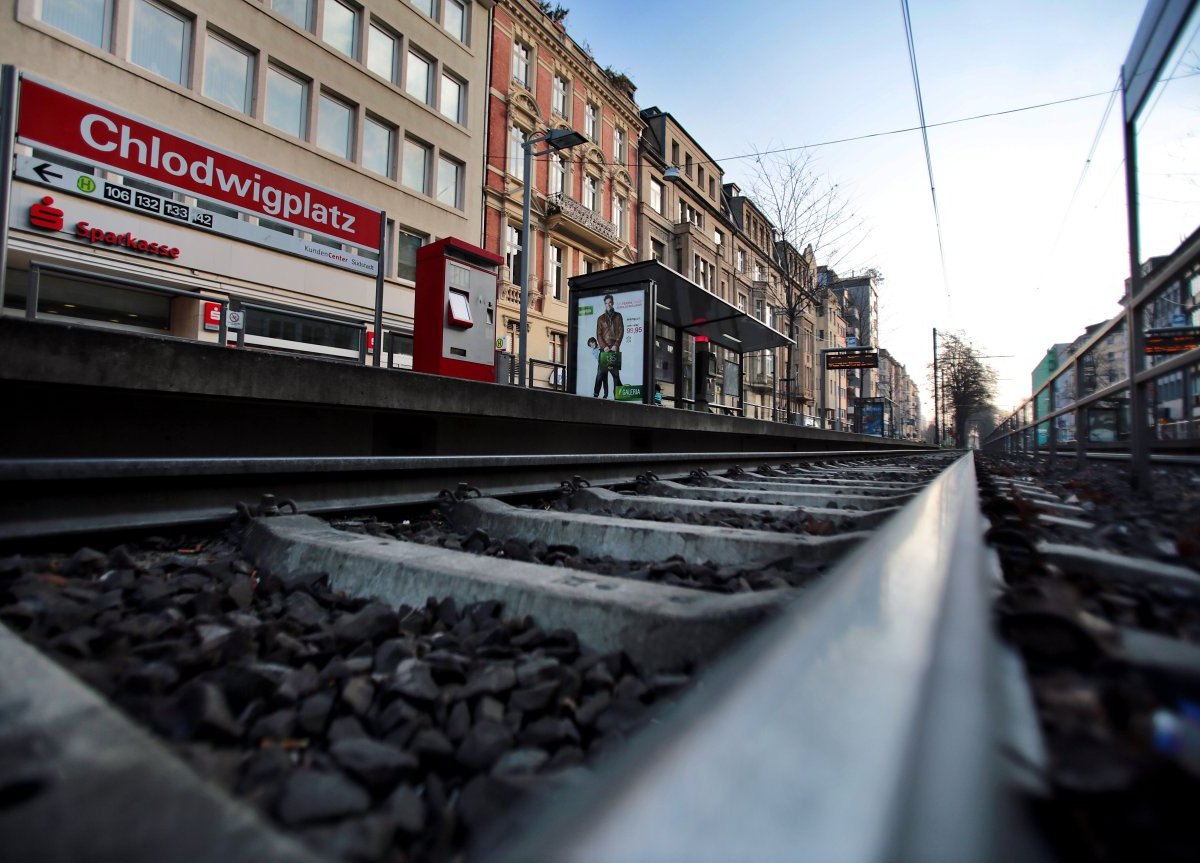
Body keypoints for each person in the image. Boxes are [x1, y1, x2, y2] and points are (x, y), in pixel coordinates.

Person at [594, 293, 624, 397]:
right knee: (600, 374)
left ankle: (617, 395)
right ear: (604, 304)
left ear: (613, 303)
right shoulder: (600, 318)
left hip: (614, 348)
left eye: (610, 302)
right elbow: (598, 334)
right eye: (607, 303)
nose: (608, 304)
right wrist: (603, 346)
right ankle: (595, 394)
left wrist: (616, 344)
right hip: (604, 349)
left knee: (615, 375)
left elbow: (621, 331)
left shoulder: (618, 316)